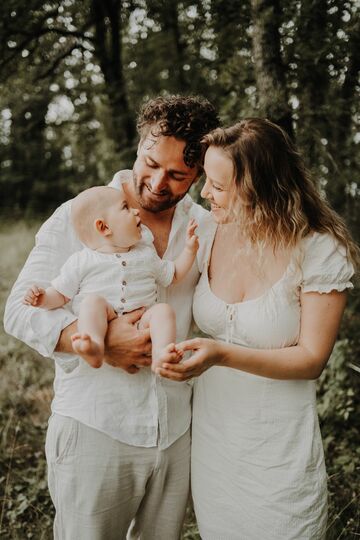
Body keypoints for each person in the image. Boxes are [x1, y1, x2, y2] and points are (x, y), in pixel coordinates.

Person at [4, 95, 220, 540]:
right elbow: (19, 311)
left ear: (197, 174)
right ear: (139, 145)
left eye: (178, 175)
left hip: (176, 428)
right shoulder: (80, 215)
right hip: (96, 424)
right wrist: (91, 338)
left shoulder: (204, 225)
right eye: (151, 162)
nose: (159, 183)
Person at [157, 118, 359, 539]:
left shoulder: (318, 248)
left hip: (278, 445)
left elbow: (311, 359)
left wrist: (222, 354)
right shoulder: (210, 230)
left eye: (217, 184)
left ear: (258, 187)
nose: (204, 193)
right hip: (214, 438)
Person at [23, 185, 199, 370]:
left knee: (163, 311)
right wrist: (42, 299)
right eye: (125, 207)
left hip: (142, 321)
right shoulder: (82, 260)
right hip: (105, 316)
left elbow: (173, 274)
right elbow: (61, 294)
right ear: (104, 227)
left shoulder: (146, 253)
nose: (136, 211)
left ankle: (161, 356)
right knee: (92, 303)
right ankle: (94, 345)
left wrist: (189, 250)